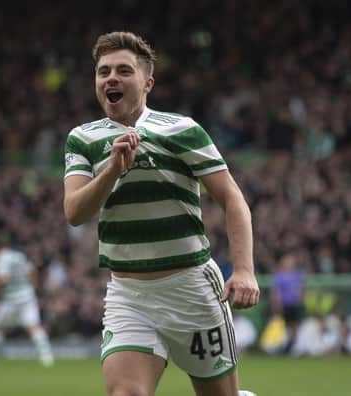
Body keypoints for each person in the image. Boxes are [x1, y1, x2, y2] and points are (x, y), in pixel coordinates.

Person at [63, 31, 259, 396]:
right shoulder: (83, 139)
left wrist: (244, 270)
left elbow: (233, 199)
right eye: (103, 71)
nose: (111, 78)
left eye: (123, 70)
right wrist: (112, 170)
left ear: (147, 82)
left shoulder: (182, 130)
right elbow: (75, 212)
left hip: (191, 292)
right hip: (130, 294)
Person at [0, 232, 54, 368]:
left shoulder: (0, 259)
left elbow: (3, 278)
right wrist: (33, 286)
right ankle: (47, 358)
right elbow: (32, 271)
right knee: (34, 327)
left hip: (10, 299)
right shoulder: (18, 256)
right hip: (28, 296)